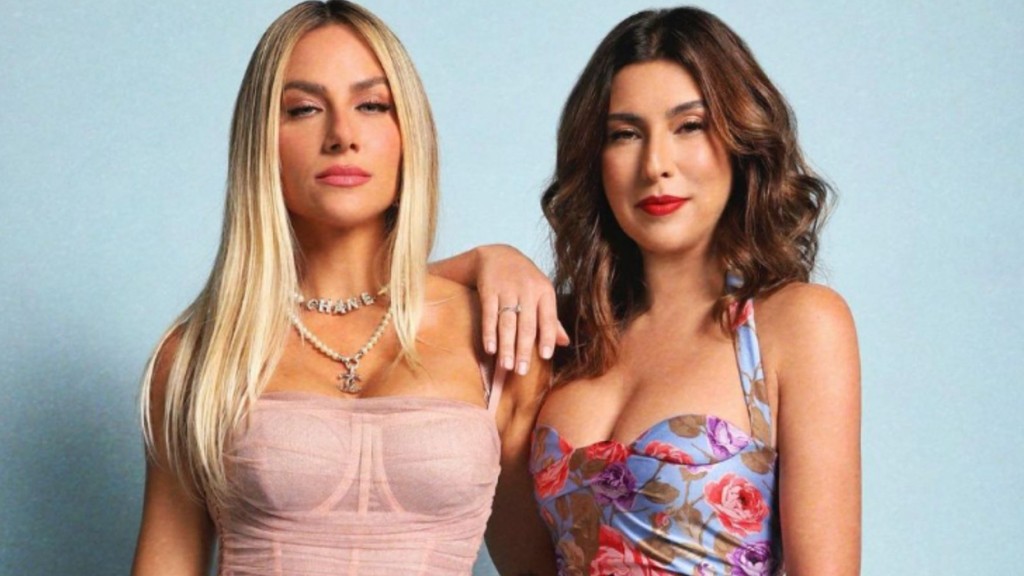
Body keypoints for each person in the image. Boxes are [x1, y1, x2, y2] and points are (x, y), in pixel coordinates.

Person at [131, 2, 557, 574]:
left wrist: (491, 258)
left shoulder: (498, 338)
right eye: (304, 109)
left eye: (372, 105)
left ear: (408, 133)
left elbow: (534, 567)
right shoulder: (197, 355)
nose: (342, 136)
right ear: (261, 143)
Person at [530, 7, 861, 576]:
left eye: (689, 126)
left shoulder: (794, 324)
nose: (656, 165)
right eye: (625, 134)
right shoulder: (562, 337)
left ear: (741, 141)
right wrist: (488, 262)